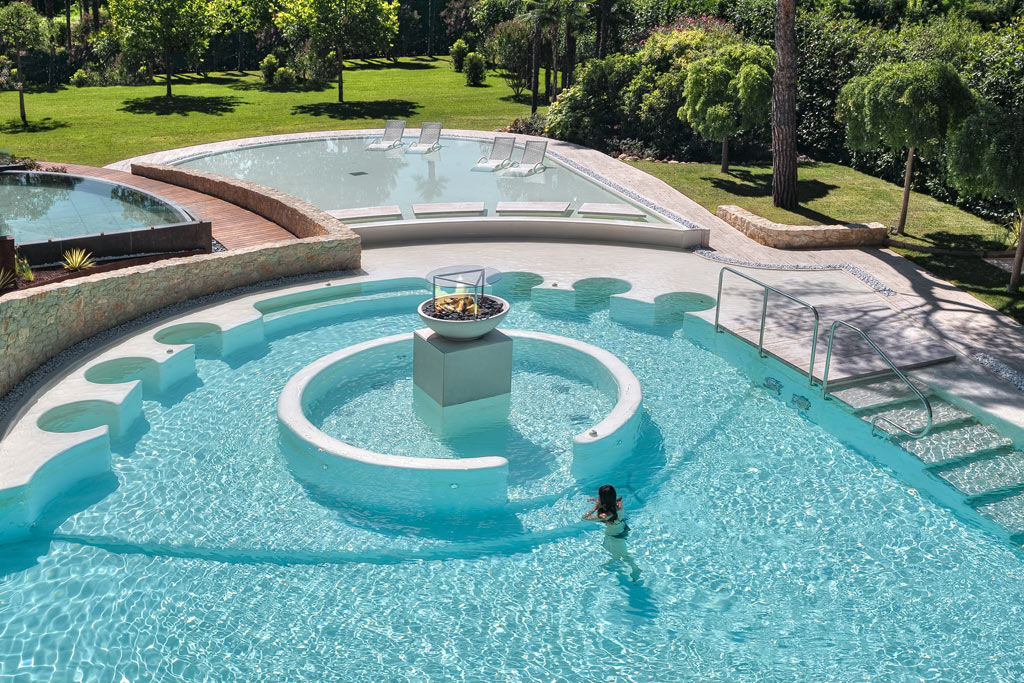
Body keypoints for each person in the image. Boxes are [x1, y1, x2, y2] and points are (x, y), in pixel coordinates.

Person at [583, 484, 641, 581]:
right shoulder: (619, 503)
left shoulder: (605, 516)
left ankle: (636, 569)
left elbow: (585, 518)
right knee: (612, 548)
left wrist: (593, 509)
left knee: (625, 555)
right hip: (622, 529)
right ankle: (615, 559)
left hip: (615, 537)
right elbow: (607, 504)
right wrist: (597, 502)